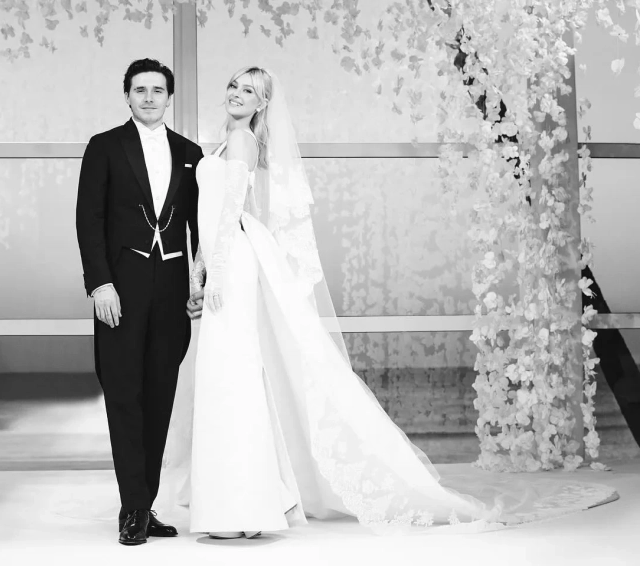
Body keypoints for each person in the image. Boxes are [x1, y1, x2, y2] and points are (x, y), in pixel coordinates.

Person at [170, 66, 617, 538]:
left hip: (234, 264)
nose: (237, 94)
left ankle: (245, 509)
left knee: (234, 375)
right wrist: (199, 272)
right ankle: (246, 506)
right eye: (234, 86)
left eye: (249, 91)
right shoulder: (222, 145)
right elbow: (212, 216)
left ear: (262, 103)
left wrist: (216, 272)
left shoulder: (242, 142)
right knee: (230, 374)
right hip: (225, 261)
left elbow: (231, 213)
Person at [76, 58, 204, 546]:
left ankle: (144, 505)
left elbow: (201, 227)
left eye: (157, 90)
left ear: (169, 97)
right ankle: (132, 507)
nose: (149, 97)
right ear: (127, 95)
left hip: (171, 292)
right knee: (124, 396)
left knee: (159, 398)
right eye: (140, 90)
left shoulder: (190, 153)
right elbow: (88, 219)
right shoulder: (104, 147)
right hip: (120, 292)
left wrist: (201, 283)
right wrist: (100, 285)